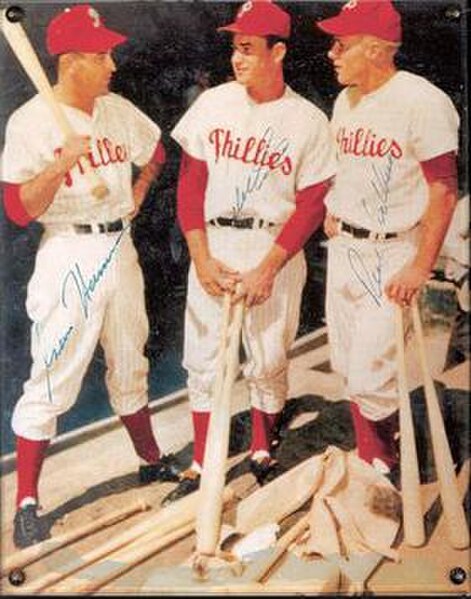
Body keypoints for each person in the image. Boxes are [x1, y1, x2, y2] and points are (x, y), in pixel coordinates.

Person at [1, 4, 180, 549]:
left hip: (117, 245)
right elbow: (17, 210)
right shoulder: (30, 122)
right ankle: (27, 503)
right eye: (102, 55)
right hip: (68, 253)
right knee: (54, 374)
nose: (112, 64)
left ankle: (150, 461)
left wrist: (141, 192)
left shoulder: (117, 109)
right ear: (72, 61)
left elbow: (157, 151)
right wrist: (60, 164)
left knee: (131, 358)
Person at [164, 0, 336, 503]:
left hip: (271, 244)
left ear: (277, 51)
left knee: (267, 355)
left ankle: (262, 448)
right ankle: (202, 460)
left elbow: (312, 202)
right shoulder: (214, 102)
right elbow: (191, 183)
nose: (237, 58)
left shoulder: (306, 119)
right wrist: (198, 253)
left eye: (248, 48)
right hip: (216, 241)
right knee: (203, 358)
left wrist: (269, 266)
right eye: (234, 47)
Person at [315, 0, 459, 478]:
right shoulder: (346, 100)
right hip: (346, 248)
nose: (332, 53)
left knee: (370, 371)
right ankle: (376, 448)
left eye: (342, 44)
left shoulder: (422, 100)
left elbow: (443, 188)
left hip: (394, 247)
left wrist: (420, 265)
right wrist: (333, 207)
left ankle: (381, 462)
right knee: (346, 362)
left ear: (375, 49)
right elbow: (345, 168)